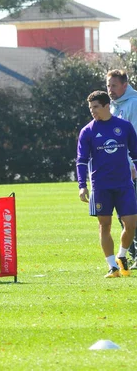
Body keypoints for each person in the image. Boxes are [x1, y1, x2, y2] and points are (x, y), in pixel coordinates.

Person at [77, 90, 137, 278]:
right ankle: (112, 266)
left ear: (106, 106)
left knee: (131, 224)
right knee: (105, 225)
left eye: (95, 107)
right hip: (100, 186)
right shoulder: (87, 131)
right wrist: (82, 185)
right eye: (90, 108)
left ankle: (121, 255)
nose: (92, 111)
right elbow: (81, 160)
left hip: (124, 184)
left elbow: (135, 154)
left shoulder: (124, 127)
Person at [107, 69, 137, 268]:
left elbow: (133, 137)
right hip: (117, 170)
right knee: (123, 214)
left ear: (125, 86)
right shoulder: (112, 106)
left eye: (114, 86)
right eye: (108, 86)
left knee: (132, 213)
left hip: (131, 168)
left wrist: (133, 164)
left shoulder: (134, 103)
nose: (110, 90)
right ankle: (133, 254)